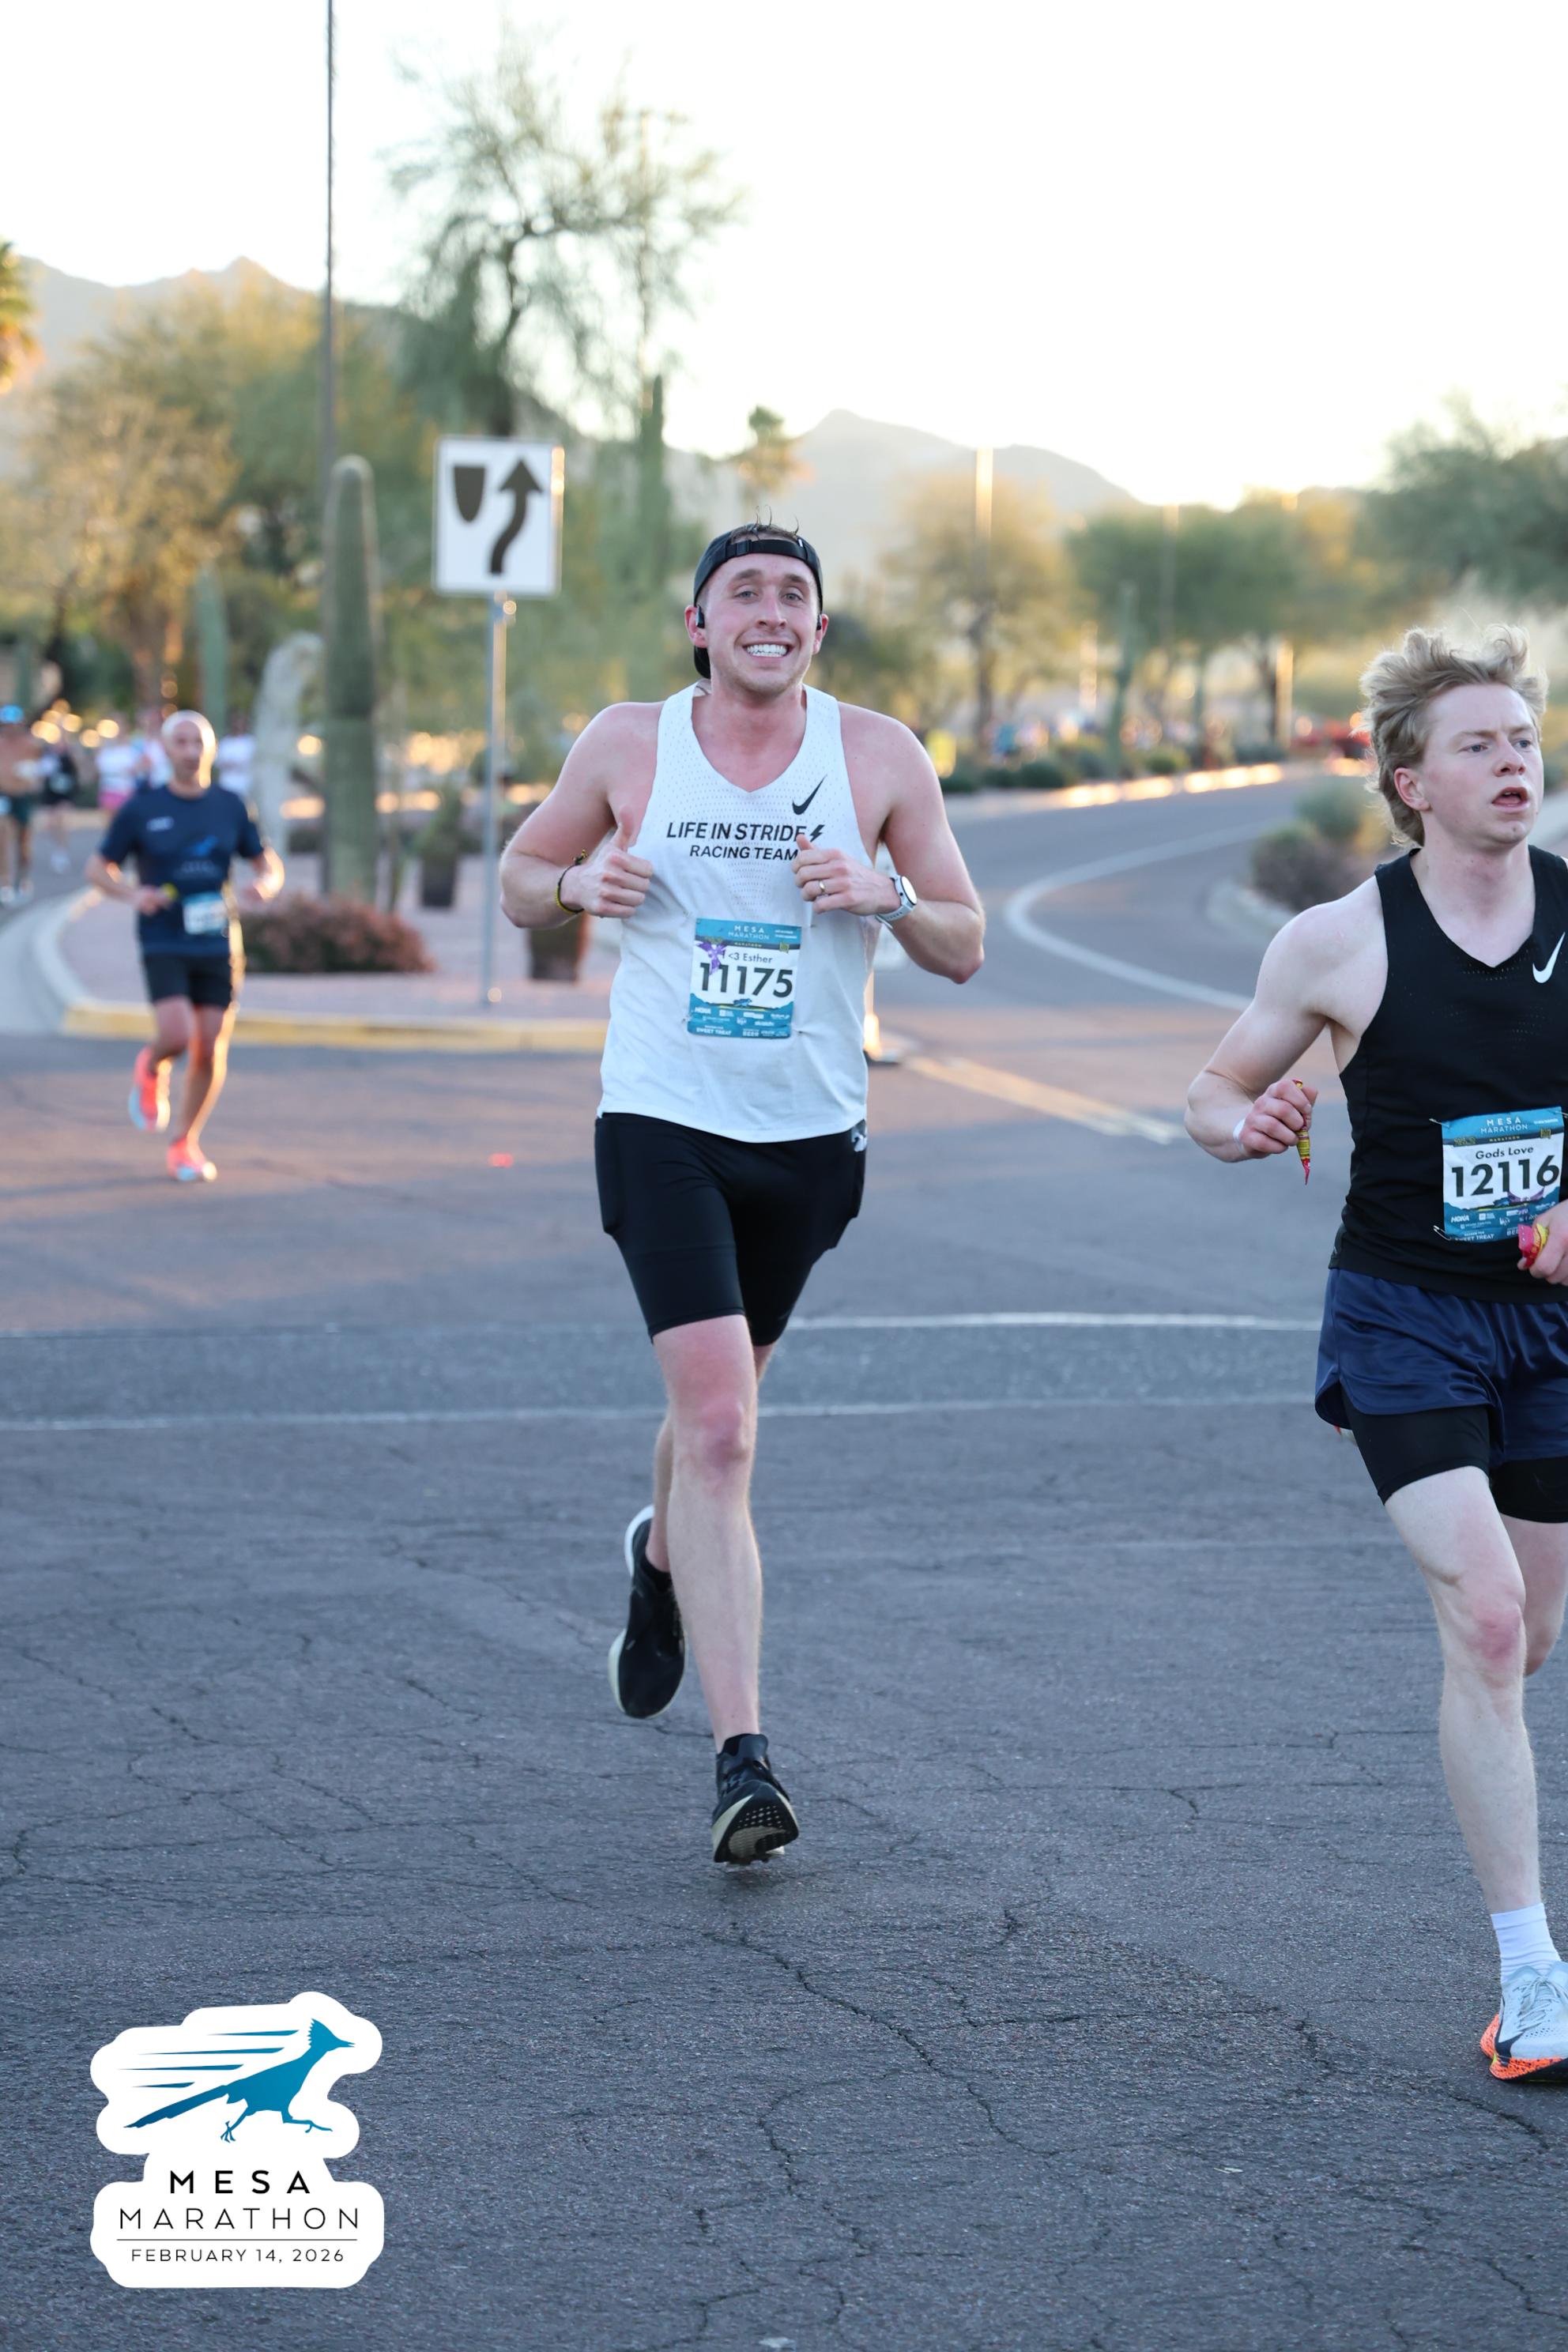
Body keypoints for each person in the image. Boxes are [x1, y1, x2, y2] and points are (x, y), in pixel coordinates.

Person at [500, 525, 985, 1864]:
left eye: (794, 596)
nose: (770, 612)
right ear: (699, 625)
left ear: (816, 630)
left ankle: (662, 1559)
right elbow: (520, 880)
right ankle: (743, 1762)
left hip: (809, 1135)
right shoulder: (628, 743)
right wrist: (578, 882)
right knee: (720, 1427)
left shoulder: (878, 755)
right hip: (662, 1119)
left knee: (716, 1409)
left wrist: (885, 893)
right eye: (743, 593)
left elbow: (962, 941)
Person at [1186, 625, 1568, 2083]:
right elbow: (1211, 1092)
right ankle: (1530, 1976)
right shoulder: (1337, 943)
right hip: (1403, 1315)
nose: (1514, 762)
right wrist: (1248, 1122)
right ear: (1411, 784)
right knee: (1487, 1622)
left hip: (1548, 1330)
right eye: (1479, 745)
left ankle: (1487, 1740)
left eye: (1523, 738)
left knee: (1526, 1637)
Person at [85, 708, 283, 1183]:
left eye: (199, 742)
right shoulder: (142, 808)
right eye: (182, 742)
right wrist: (135, 895)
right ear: (165, 749)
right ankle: (152, 1065)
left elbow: (267, 864)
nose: (191, 751)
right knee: (176, 1035)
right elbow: (98, 869)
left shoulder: (231, 805)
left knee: (209, 1048)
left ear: (211, 750)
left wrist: (265, 885)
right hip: (164, 937)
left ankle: (185, 1142)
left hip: (218, 940)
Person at [0, 705, 37, 904]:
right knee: (3, 837)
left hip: (23, 797)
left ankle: (23, 879)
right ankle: (4, 883)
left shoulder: (30, 745)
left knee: (24, 842)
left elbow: (38, 772)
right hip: (3, 796)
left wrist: (29, 776)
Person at [35, 733, 81, 873]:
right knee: (51, 824)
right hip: (50, 795)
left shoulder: (69, 758)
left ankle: (62, 851)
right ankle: (59, 848)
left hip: (65, 795)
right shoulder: (47, 757)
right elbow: (41, 776)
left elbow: (76, 774)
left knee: (60, 820)